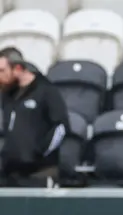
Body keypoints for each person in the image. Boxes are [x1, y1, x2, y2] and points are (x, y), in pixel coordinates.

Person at [0, 47, 69, 187]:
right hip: (10, 173)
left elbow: (61, 127)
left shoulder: (46, 91)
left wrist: (40, 153)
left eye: (2, 71)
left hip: (40, 172)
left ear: (18, 69)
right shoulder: (6, 94)